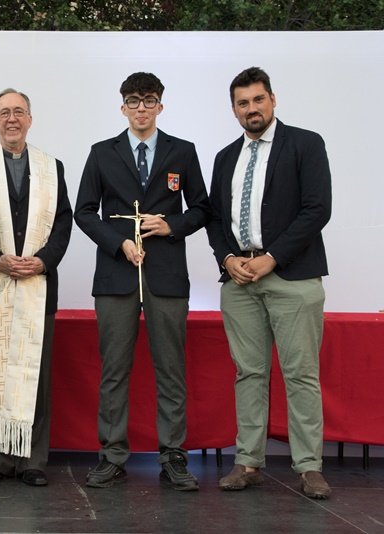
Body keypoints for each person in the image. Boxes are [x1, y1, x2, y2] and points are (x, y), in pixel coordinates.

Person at [74, 72, 209, 491]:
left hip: (166, 272)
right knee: (114, 369)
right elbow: (83, 211)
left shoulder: (182, 151)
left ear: (160, 106)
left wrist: (171, 225)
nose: (141, 108)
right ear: (123, 107)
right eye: (133, 100)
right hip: (116, 273)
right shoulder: (102, 152)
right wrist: (118, 243)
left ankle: (173, 456)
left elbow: (202, 208)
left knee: (171, 368)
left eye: (149, 100)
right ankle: (112, 455)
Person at [206, 67, 332, 499]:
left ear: (273, 100)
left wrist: (272, 258)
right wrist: (228, 258)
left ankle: (309, 467)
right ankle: (248, 463)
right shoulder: (225, 157)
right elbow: (215, 218)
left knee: (301, 374)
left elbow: (317, 209)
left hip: (292, 276)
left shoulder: (306, 144)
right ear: (234, 110)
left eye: (258, 99)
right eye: (243, 103)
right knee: (249, 374)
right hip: (239, 281)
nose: (252, 109)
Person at [0, 88, 72, 487]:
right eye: (4, 112)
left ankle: (32, 460)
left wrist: (43, 260)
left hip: (37, 284)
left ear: (30, 119)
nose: (12, 119)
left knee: (34, 376)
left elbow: (63, 222)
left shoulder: (52, 167)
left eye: (19, 112)